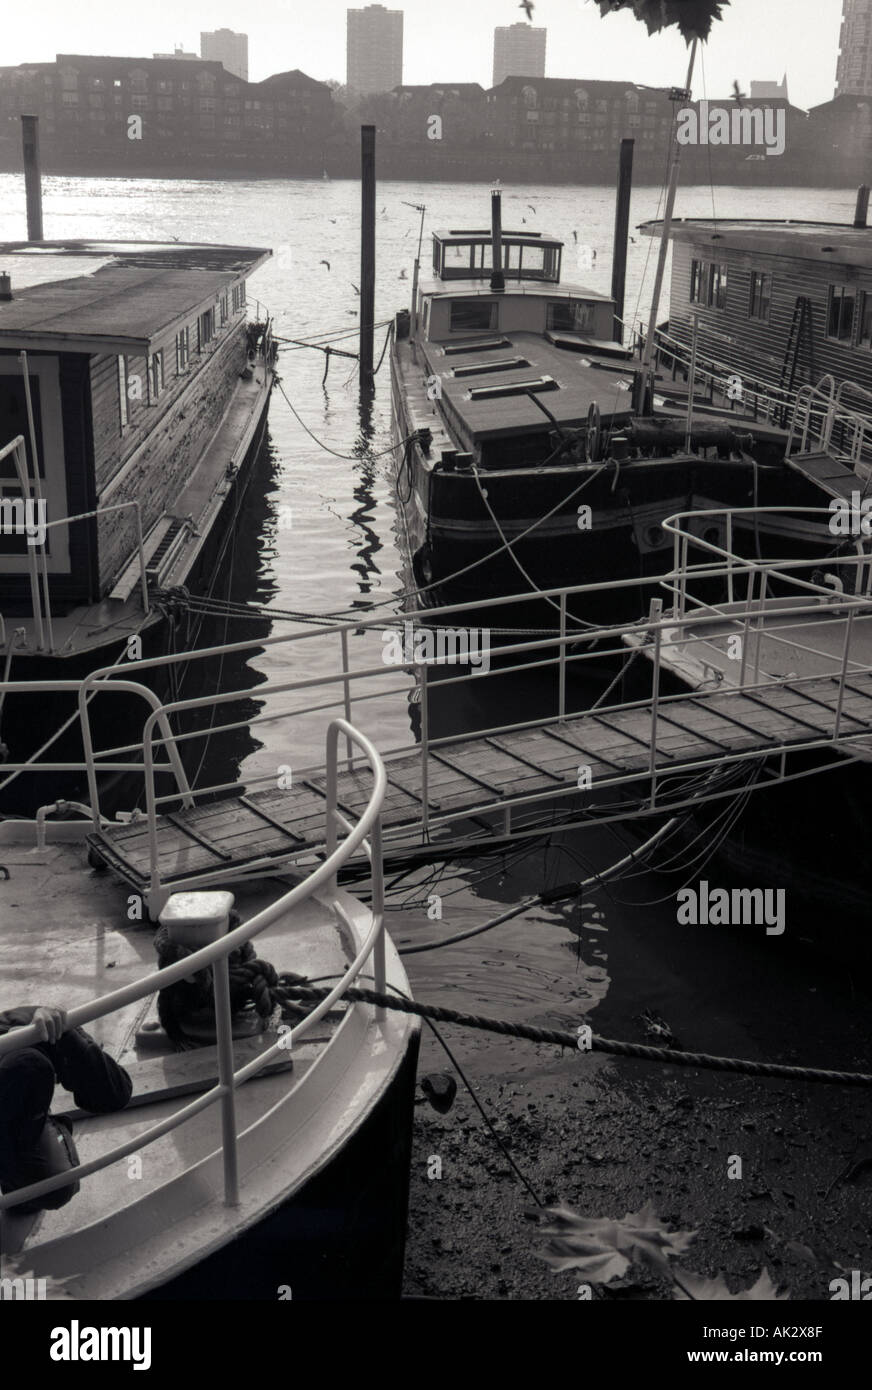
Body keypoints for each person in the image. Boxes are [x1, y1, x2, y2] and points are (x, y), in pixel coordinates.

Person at [0, 1005, 132, 1215]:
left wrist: (64, 1036)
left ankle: (17, 1179)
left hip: (11, 1125)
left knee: (56, 1185)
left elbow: (116, 1094)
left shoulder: (27, 1024)